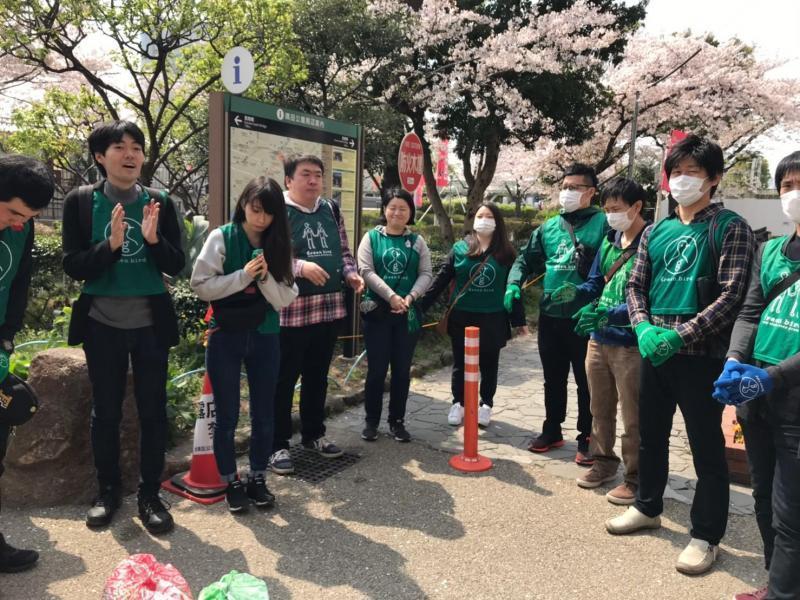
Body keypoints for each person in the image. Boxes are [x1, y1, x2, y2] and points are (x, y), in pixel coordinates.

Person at [605, 134, 755, 576]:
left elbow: (732, 296)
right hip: (654, 351)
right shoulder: (655, 229)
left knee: (705, 447)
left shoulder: (730, 227)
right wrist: (644, 326)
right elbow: (635, 285)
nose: (682, 180)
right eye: (676, 172)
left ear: (714, 179)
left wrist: (680, 334)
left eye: (692, 172)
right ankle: (648, 504)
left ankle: (706, 535)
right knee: (650, 434)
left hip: (701, 355)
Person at [62, 121, 185, 534]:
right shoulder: (80, 202)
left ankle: (151, 494)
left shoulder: (161, 203)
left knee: (153, 412)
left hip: (150, 325)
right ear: (100, 156)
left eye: (136, 147)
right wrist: (110, 247)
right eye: (119, 147)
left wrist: (152, 240)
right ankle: (108, 491)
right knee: (106, 412)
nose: (130, 154)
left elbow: (176, 265)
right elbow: (73, 265)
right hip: (102, 324)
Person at [714, 151, 800, 600]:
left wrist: (773, 377)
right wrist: (733, 360)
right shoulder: (770, 251)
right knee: (763, 497)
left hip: (792, 401)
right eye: (787, 186)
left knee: (792, 513)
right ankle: (777, 583)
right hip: (755, 394)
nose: (794, 194)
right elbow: (748, 311)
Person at [191, 177, 298, 513]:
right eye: (255, 209)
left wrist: (264, 277)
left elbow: (285, 299)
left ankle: (257, 478)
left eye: (268, 213)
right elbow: (201, 285)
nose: (260, 219)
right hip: (225, 334)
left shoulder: (279, 244)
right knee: (227, 415)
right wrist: (244, 276)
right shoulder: (222, 237)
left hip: (266, 334)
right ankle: (230, 481)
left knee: (264, 414)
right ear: (244, 204)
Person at [548, 178, 648, 504]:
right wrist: (577, 293)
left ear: (637, 207)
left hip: (630, 342)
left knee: (633, 415)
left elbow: (648, 298)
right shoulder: (610, 241)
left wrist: (611, 316)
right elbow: (595, 283)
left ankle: (635, 477)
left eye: (617, 209)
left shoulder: (651, 243)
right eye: (606, 210)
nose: (611, 216)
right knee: (599, 408)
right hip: (598, 338)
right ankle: (603, 463)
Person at [506, 163, 608, 465]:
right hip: (550, 315)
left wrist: (598, 303)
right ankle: (552, 429)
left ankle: (587, 436)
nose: (567, 193)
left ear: (591, 192)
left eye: (575, 187)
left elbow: (616, 264)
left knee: (586, 380)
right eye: (564, 187)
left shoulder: (603, 224)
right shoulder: (549, 227)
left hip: (585, 316)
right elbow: (525, 259)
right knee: (553, 377)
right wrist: (514, 282)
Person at [268, 155, 364, 474]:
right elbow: (264, 255)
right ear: (288, 181)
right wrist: (299, 267)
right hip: (290, 313)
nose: (313, 181)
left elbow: (345, 252)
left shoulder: (330, 209)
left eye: (318, 175)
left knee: (317, 377)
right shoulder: (276, 210)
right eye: (305, 175)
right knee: (283, 380)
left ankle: (313, 435)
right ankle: (277, 444)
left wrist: (350, 274)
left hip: (327, 308)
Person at [419, 202, 526, 428]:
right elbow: (441, 280)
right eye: (480, 215)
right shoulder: (460, 249)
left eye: (489, 216)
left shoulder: (506, 253)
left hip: (493, 317)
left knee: (489, 365)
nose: (483, 219)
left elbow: (513, 287)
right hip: (462, 316)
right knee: (460, 363)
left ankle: (485, 405)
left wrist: (519, 321)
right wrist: (419, 307)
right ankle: (459, 403)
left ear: (497, 222)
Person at [0, 155, 54, 573]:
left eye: (28, 217)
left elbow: (19, 280)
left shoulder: (22, 227)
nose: (20, 224)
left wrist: (6, 337)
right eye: (14, 212)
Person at [357, 188, 432, 442]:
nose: (397, 212)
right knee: (377, 370)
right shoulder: (371, 238)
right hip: (378, 313)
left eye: (403, 208)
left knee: (401, 370)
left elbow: (426, 274)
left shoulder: (418, 242)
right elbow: (366, 271)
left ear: (410, 212)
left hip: (407, 314)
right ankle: (371, 421)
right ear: (384, 210)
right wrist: (391, 296)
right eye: (392, 207)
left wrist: (409, 298)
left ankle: (397, 421)